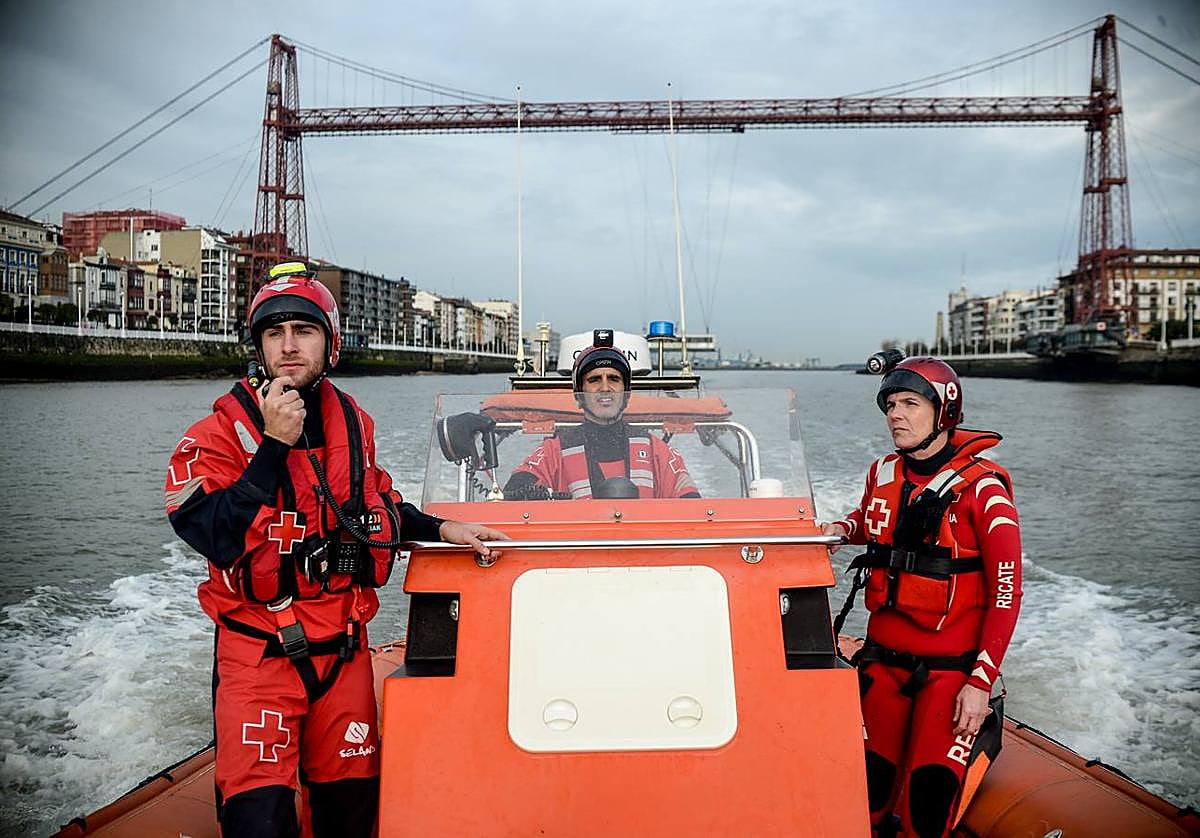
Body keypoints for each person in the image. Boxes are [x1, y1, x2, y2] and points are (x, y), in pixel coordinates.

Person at [164, 262, 506, 838]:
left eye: (305, 330)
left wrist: (442, 528)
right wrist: (274, 445)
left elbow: (372, 509)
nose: (289, 345)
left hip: (343, 653)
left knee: (351, 815)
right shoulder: (217, 435)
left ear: (331, 341)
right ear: (258, 348)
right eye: (275, 333)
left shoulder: (354, 424)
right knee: (260, 821)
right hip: (260, 655)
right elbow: (213, 533)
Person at [820, 357, 1022, 838]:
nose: (896, 414)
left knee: (928, 806)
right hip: (883, 665)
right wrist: (841, 529)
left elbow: (1007, 593)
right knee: (867, 790)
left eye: (910, 403)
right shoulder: (883, 473)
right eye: (890, 404)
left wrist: (979, 683)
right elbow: (871, 519)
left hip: (949, 678)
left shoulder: (986, 491)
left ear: (944, 411)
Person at [503, 329, 700, 500]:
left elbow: (692, 505)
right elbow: (514, 491)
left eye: (614, 379)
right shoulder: (552, 452)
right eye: (594, 379)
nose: (605, 387)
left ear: (627, 393)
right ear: (578, 394)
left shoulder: (658, 451)